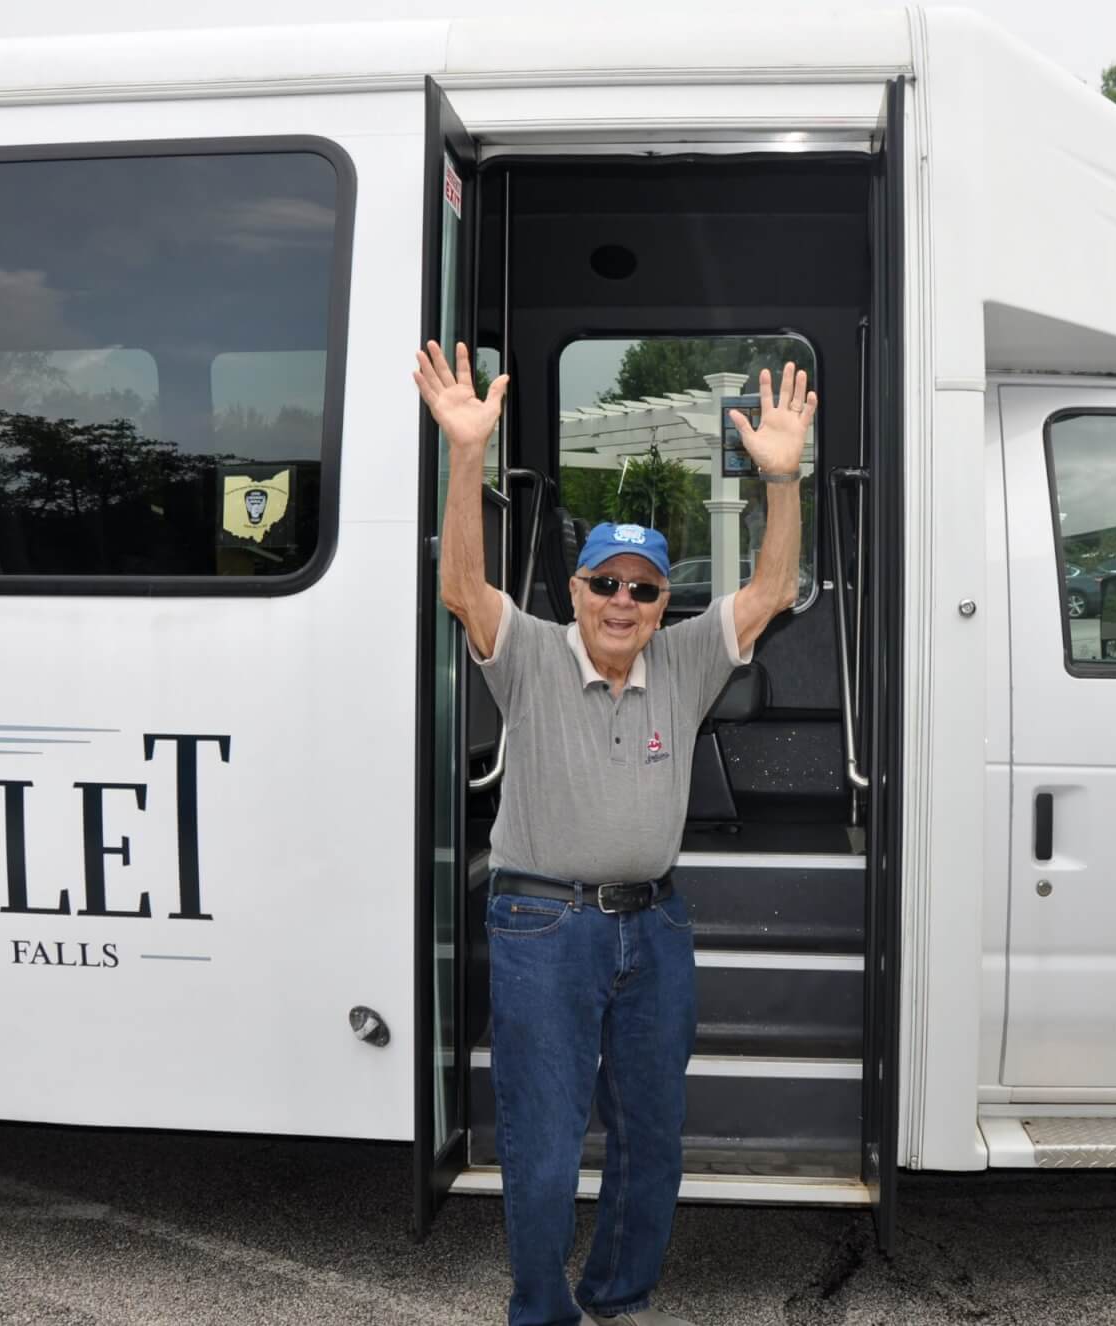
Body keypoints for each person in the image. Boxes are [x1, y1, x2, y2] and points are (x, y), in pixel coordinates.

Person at [415, 341, 812, 1326]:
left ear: (659, 602)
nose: (624, 603)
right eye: (606, 584)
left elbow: (765, 594)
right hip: (542, 929)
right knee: (545, 1148)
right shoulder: (532, 655)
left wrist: (781, 478)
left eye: (643, 588)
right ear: (576, 592)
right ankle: (539, 1313)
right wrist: (466, 453)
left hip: (654, 930)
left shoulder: (682, 662)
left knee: (652, 1139)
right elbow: (462, 589)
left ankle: (619, 1298)